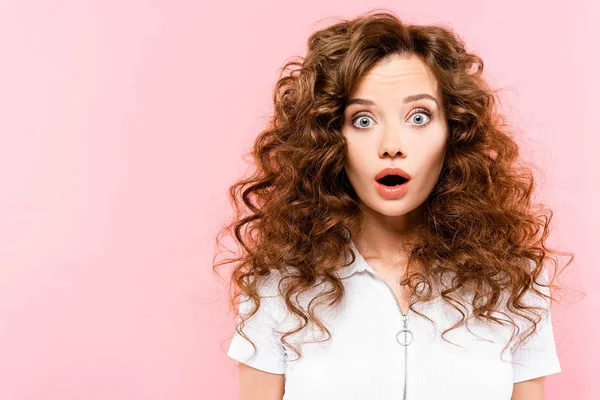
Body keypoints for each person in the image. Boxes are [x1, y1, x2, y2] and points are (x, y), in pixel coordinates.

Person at [214, 9, 573, 400]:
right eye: (363, 120)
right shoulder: (279, 284)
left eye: (419, 117)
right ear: (330, 140)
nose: (391, 145)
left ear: (453, 133)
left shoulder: (514, 281)